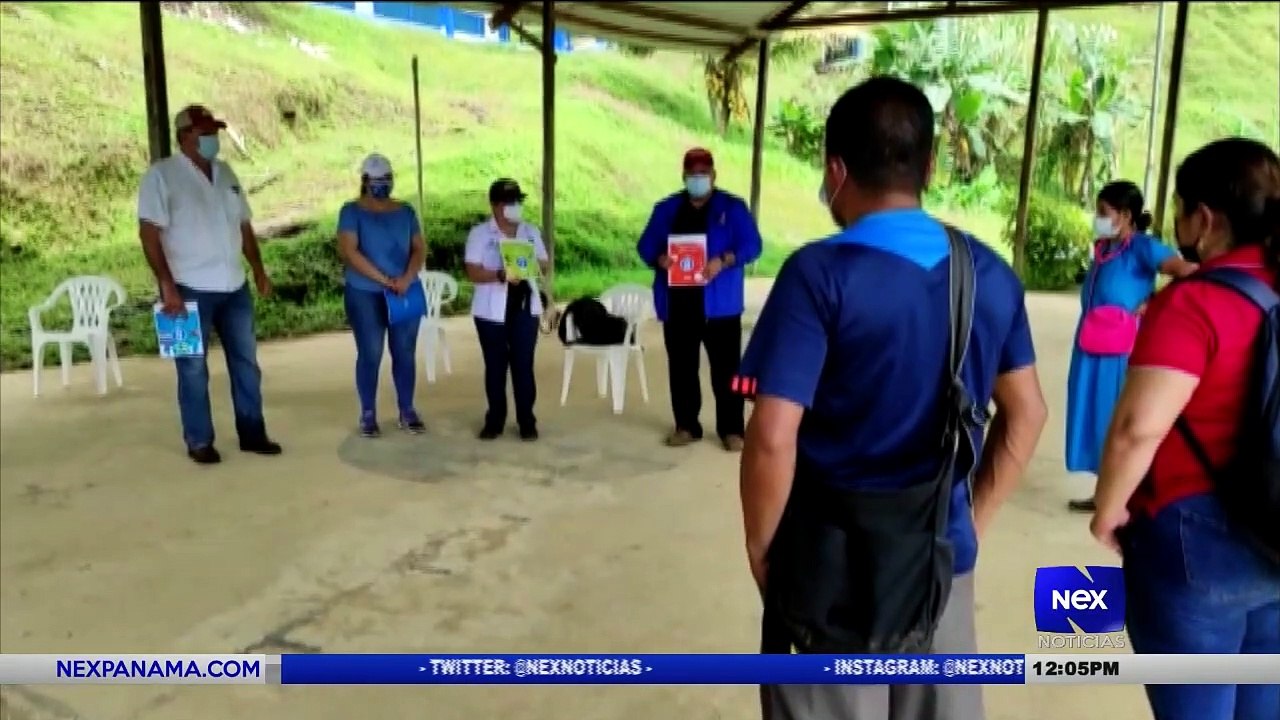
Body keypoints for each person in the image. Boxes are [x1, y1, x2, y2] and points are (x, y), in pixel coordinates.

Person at [737, 77, 1048, 720]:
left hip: (828, 572)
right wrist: (969, 526)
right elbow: (1028, 414)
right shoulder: (987, 274)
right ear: (929, 167)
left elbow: (771, 436)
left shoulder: (818, 275)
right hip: (938, 562)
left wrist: (765, 551)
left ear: (835, 171)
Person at [1091, 138, 1280, 720]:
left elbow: (1137, 429)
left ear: (1204, 217)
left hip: (1196, 537)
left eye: (1178, 206)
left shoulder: (1195, 303)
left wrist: (1108, 509)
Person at [136, 104, 282, 465]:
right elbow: (149, 235)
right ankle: (199, 440)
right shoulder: (161, 176)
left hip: (234, 286)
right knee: (191, 367)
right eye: (205, 133)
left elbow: (244, 226)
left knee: (246, 363)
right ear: (184, 136)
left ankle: (253, 432)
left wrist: (258, 270)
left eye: (214, 132)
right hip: (185, 289)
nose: (212, 139)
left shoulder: (226, 172)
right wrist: (166, 285)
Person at [1065, 181, 1199, 512]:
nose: (1098, 218)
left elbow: (1189, 272)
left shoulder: (1143, 247)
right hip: (1090, 343)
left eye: (1104, 212)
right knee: (1095, 415)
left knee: (1116, 414)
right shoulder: (1104, 248)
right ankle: (1105, 490)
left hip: (1120, 348)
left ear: (1125, 216)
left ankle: (1122, 494)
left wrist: (1154, 301)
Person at [636, 148, 763, 452]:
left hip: (720, 307)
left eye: (703, 174)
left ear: (713, 175)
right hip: (678, 304)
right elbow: (645, 246)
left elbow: (753, 245)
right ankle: (686, 425)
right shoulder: (666, 209)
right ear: (684, 177)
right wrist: (660, 258)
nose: (698, 179)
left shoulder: (732, 208)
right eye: (692, 175)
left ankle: (732, 430)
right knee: (682, 369)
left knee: (726, 371)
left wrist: (724, 260)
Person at [336, 153, 427, 437]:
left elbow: (419, 248)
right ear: (365, 181)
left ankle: (407, 409)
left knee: (405, 351)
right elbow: (349, 252)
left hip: (404, 290)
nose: (382, 185)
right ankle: (368, 413)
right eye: (376, 180)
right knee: (371, 352)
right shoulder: (351, 211)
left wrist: (407, 278)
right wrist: (385, 280)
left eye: (387, 179)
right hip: (365, 292)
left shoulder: (406, 211)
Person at [464, 178, 549, 441]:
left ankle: (527, 421)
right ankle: (495, 420)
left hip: (524, 306)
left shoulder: (530, 231)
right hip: (491, 310)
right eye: (508, 202)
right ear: (494, 205)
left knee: (523, 365)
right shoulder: (480, 234)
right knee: (495, 366)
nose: (514, 207)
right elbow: (473, 271)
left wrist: (528, 266)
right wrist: (500, 274)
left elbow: (544, 264)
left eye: (517, 201)